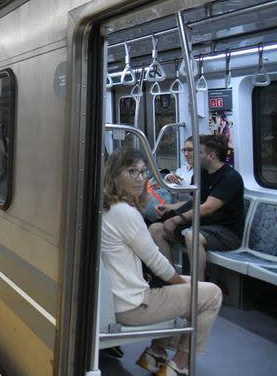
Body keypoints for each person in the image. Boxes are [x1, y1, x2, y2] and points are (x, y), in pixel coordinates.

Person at [101, 148, 222, 376]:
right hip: (133, 305)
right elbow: (158, 264)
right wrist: (179, 284)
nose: (140, 178)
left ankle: (156, 353)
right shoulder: (125, 213)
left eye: (143, 172)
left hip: (118, 297)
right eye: (132, 171)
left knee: (185, 288)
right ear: (115, 176)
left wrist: (177, 284)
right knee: (211, 294)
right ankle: (180, 363)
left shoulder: (108, 207)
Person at [150, 135, 244, 280]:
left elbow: (208, 207)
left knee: (192, 236)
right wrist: (169, 207)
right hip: (204, 225)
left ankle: (198, 288)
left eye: (198, 152)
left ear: (211, 156)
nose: (192, 155)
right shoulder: (201, 174)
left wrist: (176, 220)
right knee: (156, 229)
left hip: (226, 232)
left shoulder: (230, 177)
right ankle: (173, 279)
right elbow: (195, 202)